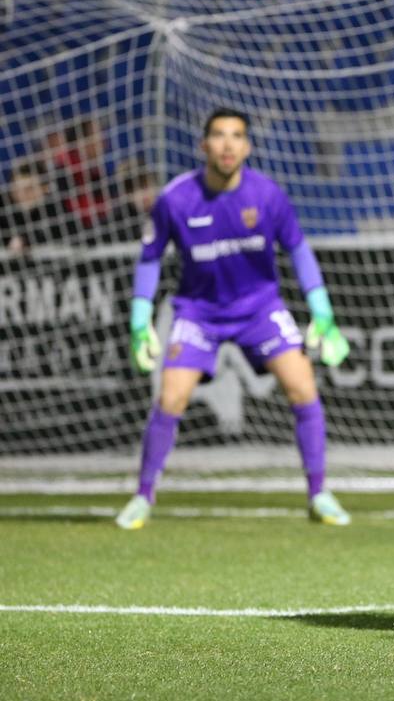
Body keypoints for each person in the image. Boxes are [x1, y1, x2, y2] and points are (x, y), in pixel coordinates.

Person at [114, 109, 353, 530]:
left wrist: (323, 313)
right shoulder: (175, 198)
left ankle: (319, 493)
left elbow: (299, 250)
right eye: (219, 136)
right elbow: (150, 259)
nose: (228, 144)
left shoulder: (267, 196)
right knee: (170, 399)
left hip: (260, 308)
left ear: (248, 147)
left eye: (237, 136)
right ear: (203, 145)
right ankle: (142, 496)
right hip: (198, 311)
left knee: (302, 386)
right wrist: (139, 320)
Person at [0, 161, 69, 253]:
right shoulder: (3, 206)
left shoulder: (55, 209)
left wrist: (25, 241)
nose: (21, 195)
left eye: (29, 189)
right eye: (16, 189)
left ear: (45, 188)